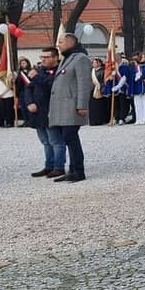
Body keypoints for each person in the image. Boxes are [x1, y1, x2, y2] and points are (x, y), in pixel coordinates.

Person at [48, 33, 93, 183]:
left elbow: (84, 84)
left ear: (70, 43)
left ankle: (79, 171)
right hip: (64, 108)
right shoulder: (67, 58)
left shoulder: (81, 58)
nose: (58, 45)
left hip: (72, 107)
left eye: (60, 42)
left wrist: (82, 105)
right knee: (68, 138)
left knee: (70, 138)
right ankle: (72, 170)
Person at [23, 47, 65, 179]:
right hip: (37, 112)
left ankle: (59, 167)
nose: (43, 60)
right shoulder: (39, 70)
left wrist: (36, 77)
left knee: (56, 141)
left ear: (55, 58)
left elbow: (50, 86)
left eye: (46, 57)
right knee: (45, 141)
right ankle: (49, 166)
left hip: (51, 111)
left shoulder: (60, 70)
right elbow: (28, 88)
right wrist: (29, 102)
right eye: (42, 57)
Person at [129, 52, 145, 125]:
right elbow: (131, 75)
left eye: (143, 57)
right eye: (141, 57)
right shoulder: (136, 66)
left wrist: (142, 75)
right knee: (137, 104)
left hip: (144, 86)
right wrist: (135, 76)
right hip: (137, 87)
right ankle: (138, 119)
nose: (142, 58)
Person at [89, 58, 109, 126]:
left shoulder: (103, 71)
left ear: (99, 63)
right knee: (93, 106)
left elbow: (104, 80)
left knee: (100, 106)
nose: (94, 64)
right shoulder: (92, 71)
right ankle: (93, 121)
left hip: (99, 89)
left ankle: (100, 120)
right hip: (92, 89)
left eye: (95, 62)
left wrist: (100, 87)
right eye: (93, 62)